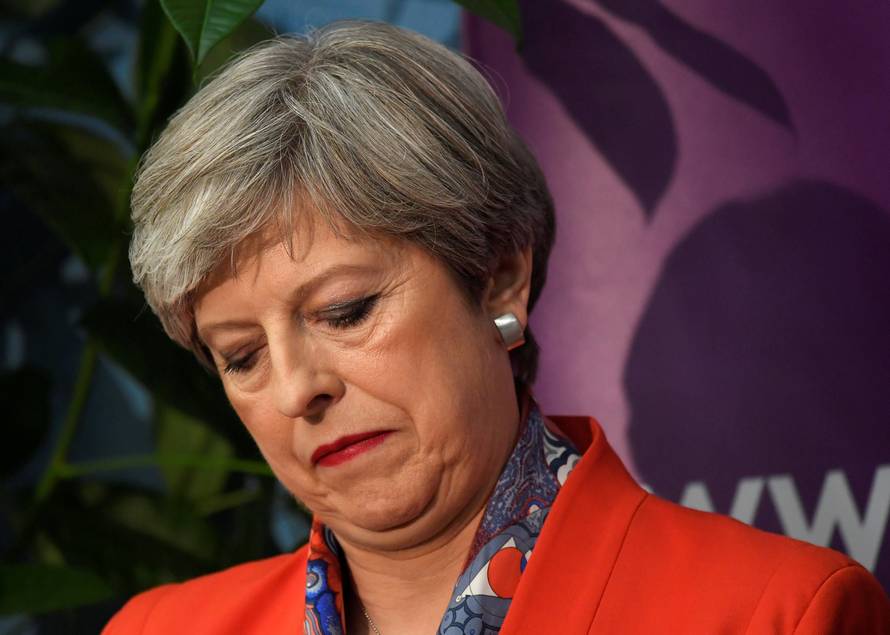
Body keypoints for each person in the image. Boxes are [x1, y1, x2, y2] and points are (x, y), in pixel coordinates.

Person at [103, 20, 888, 635]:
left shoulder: (779, 612)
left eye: (345, 311)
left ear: (499, 274)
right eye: (241, 356)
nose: (298, 386)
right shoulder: (158, 628)